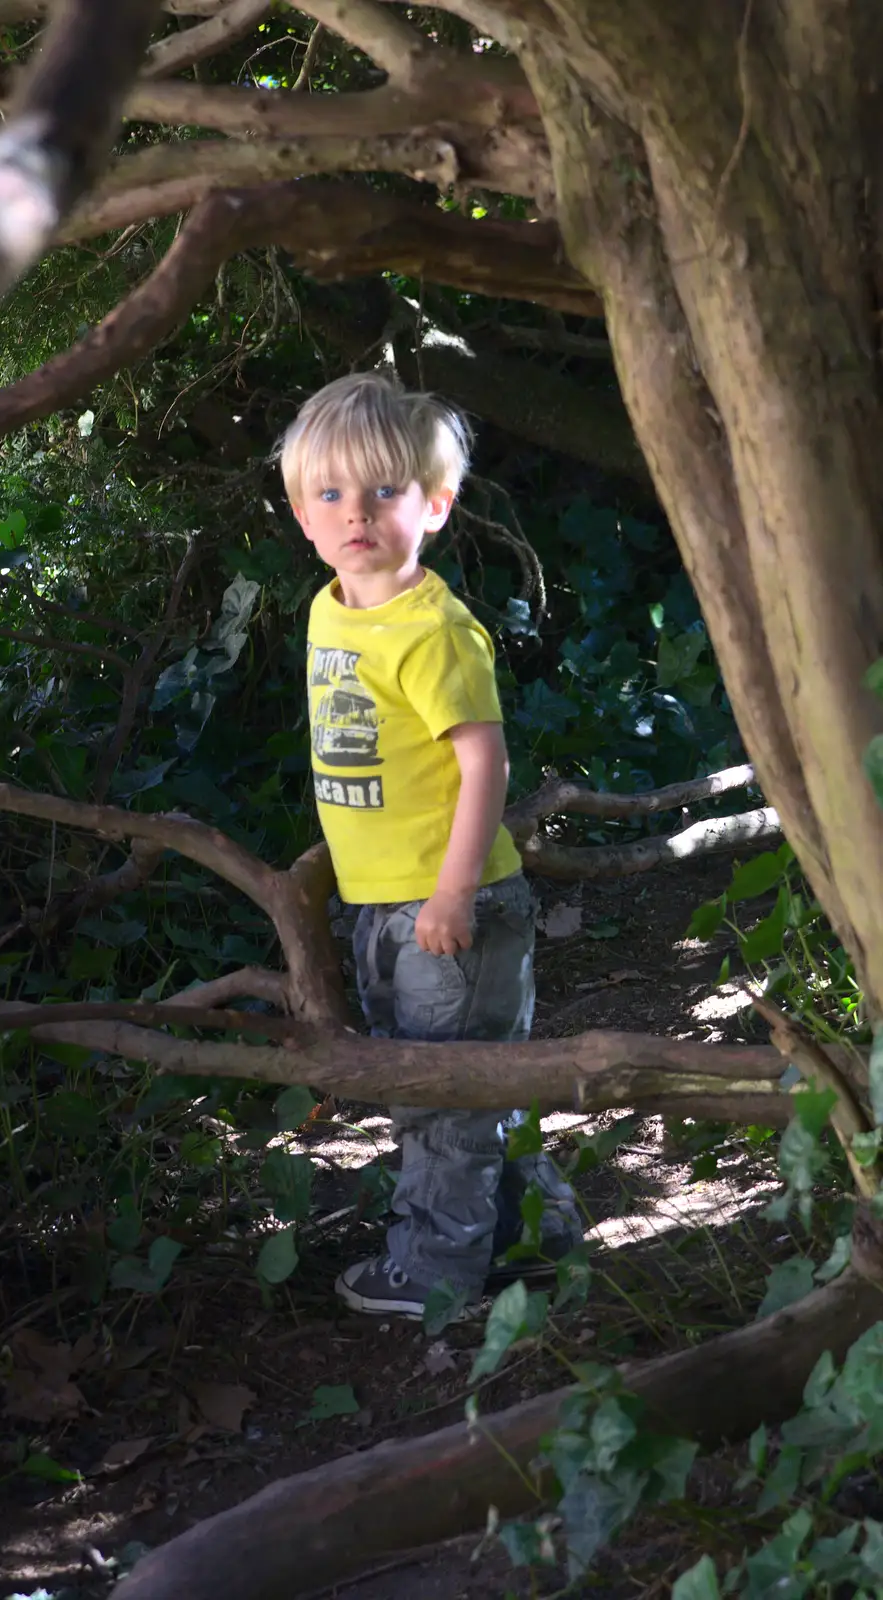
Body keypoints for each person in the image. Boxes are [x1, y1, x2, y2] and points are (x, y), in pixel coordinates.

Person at [277, 372, 582, 1320]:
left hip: (449, 906)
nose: (354, 513)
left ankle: (435, 1274)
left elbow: (483, 767)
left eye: (382, 492)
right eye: (329, 493)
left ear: (436, 506)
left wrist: (450, 896)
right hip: (383, 897)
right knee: (467, 1076)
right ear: (301, 513)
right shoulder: (332, 608)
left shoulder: (434, 631)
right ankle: (530, 1231)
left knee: (446, 1090)